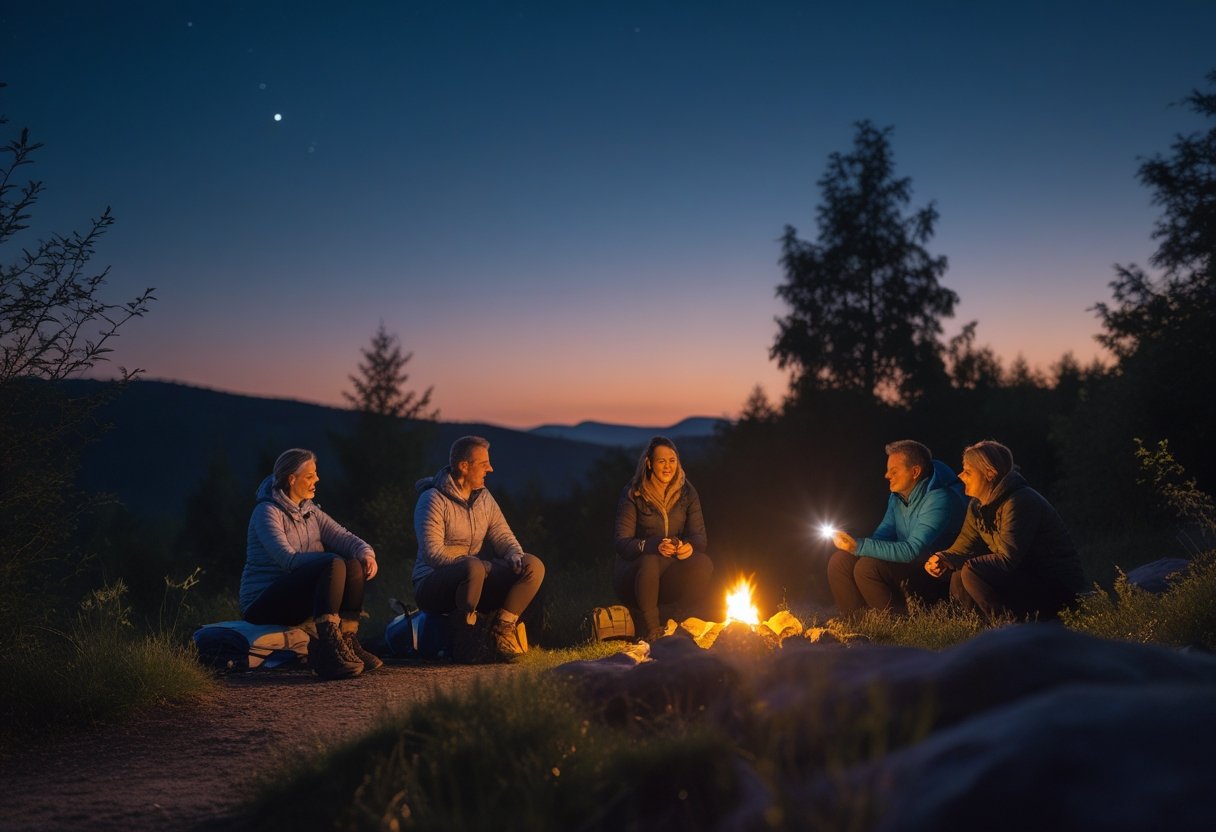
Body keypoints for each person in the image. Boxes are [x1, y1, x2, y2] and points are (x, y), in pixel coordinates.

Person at [240, 448, 380, 680]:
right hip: (263, 601)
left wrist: (366, 553)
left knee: (355, 564)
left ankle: (347, 639)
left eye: (315, 474)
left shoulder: (310, 511)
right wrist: (331, 561)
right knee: (333, 563)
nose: (317, 480)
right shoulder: (266, 512)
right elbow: (288, 560)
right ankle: (327, 649)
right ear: (291, 479)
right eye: (310, 476)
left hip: (296, 597)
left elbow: (343, 536)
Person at [413, 435, 545, 662]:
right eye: (484, 464)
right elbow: (432, 554)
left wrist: (514, 554)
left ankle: (502, 630)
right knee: (473, 567)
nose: (490, 469)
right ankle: (466, 638)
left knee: (532, 565)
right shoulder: (432, 499)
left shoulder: (484, 498)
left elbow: (503, 535)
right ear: (464, 466)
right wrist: (476, 564)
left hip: (475, 577)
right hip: (432, 584)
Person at [925, 440, 1085, 620]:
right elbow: (963, 546)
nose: (961, 476)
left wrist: (971, 565)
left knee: (971, 571)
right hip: (1024, 578)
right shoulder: (978, 506)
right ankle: (975, 633)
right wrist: (943, 558)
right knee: (958, 576)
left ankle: (1007, 629)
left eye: (968, 472)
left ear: (990, 474)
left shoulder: (1019, 500)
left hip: (1055, 587)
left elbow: (1008, 559)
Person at [826, 439, 968, 616]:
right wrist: (852, 545)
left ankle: (895, 623)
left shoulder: (939, 499)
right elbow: (882, 536)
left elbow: (912, 551)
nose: (887, 475)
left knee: (868, 567)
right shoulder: (897, 498)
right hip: (907, 567)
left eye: (893, 471)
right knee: (840, 560)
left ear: (915, 471)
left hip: (932, 575)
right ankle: (857, 622)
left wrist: (859, 546)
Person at [613, 436, 715, 642]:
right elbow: (621, 542)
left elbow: (699, 537)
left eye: (672, 460)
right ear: (649, 463)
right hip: (633, 576)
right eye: (661, 461)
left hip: (668, 571)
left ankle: (683, 621)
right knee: (650, 561)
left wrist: (689, 546)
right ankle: (652, 629)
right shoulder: (634, 494)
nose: (668, 467)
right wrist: (650, 545)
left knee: (703, 563)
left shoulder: (687, 492)